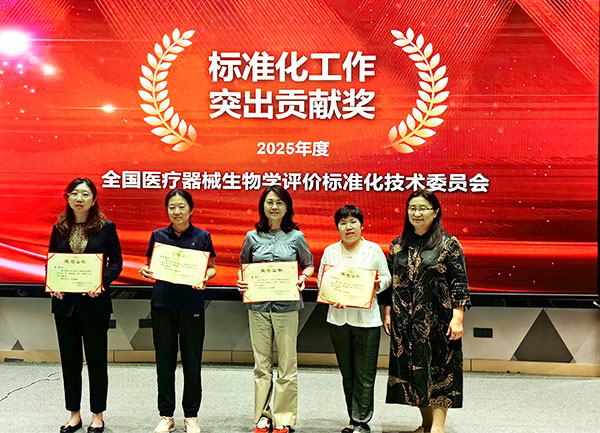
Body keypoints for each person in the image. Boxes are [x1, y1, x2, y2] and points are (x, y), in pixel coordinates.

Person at [380, 189, 470, 433]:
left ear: (435, 212)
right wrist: (387, 313)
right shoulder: (397, 245)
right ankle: (426, 423)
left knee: (440, 370)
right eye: (412, 208)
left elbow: (459, 283)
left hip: (438, 321)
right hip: (405, 321)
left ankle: (438, 427)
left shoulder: (449, 244)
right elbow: (390, 283)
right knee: (414, 370)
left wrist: (458, 317)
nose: (416, 213)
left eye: (422, 208)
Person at [236, 185, 314, 433]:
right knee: (262, 364)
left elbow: (309, 265)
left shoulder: (296, 237)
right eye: (269, 202)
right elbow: (244, 267)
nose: (274, 207)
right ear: (263, 206)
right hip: (258, 306)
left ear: (287, 207)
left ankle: (284, 418)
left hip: (287, 307)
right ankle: (263, 416)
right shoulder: (252, 237)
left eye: (279, 202)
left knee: (287, 364)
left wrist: (304, 277)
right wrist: (241, 281)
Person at [48, 178, 123, 433]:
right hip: (64, 306)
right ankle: (74, 414)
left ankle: (97, 414)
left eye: (85, 194)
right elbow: (52, 261)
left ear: (93, 200)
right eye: (75, 193)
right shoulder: (59, 228)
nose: (79, 198)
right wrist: (53, 284)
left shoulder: (106, 228)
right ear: (68, 198)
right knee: (70, 363)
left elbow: (116, 263)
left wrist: (101, 282)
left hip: (95, 305)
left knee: (96, 362)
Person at [139, 189, 217, 433]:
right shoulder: (158, 235)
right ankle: (166, 415)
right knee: (164, 362)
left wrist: (205, 276)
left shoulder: (202, 236)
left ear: (191, 210)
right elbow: (149, 265)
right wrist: (145, 271)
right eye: (172, 207)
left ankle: (191, 415)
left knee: (192, 362)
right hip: (163, 305)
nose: (177, 211)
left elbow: (212, 268)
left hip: (191, 304)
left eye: (182, 206)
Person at [317, 205, 391, 433]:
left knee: (365, 374)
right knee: (347, 373)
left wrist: (378, 284)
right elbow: (321, 281)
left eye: (353, 222)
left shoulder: (373, 250)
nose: (348, 227)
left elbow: (387, 277)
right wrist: (331, 295)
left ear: (361, 225)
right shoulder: (330, 251)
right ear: (337, 227)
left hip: (367, 321)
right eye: (343, 223)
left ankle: (361, 421)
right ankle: (352, 418)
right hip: (338, 319)